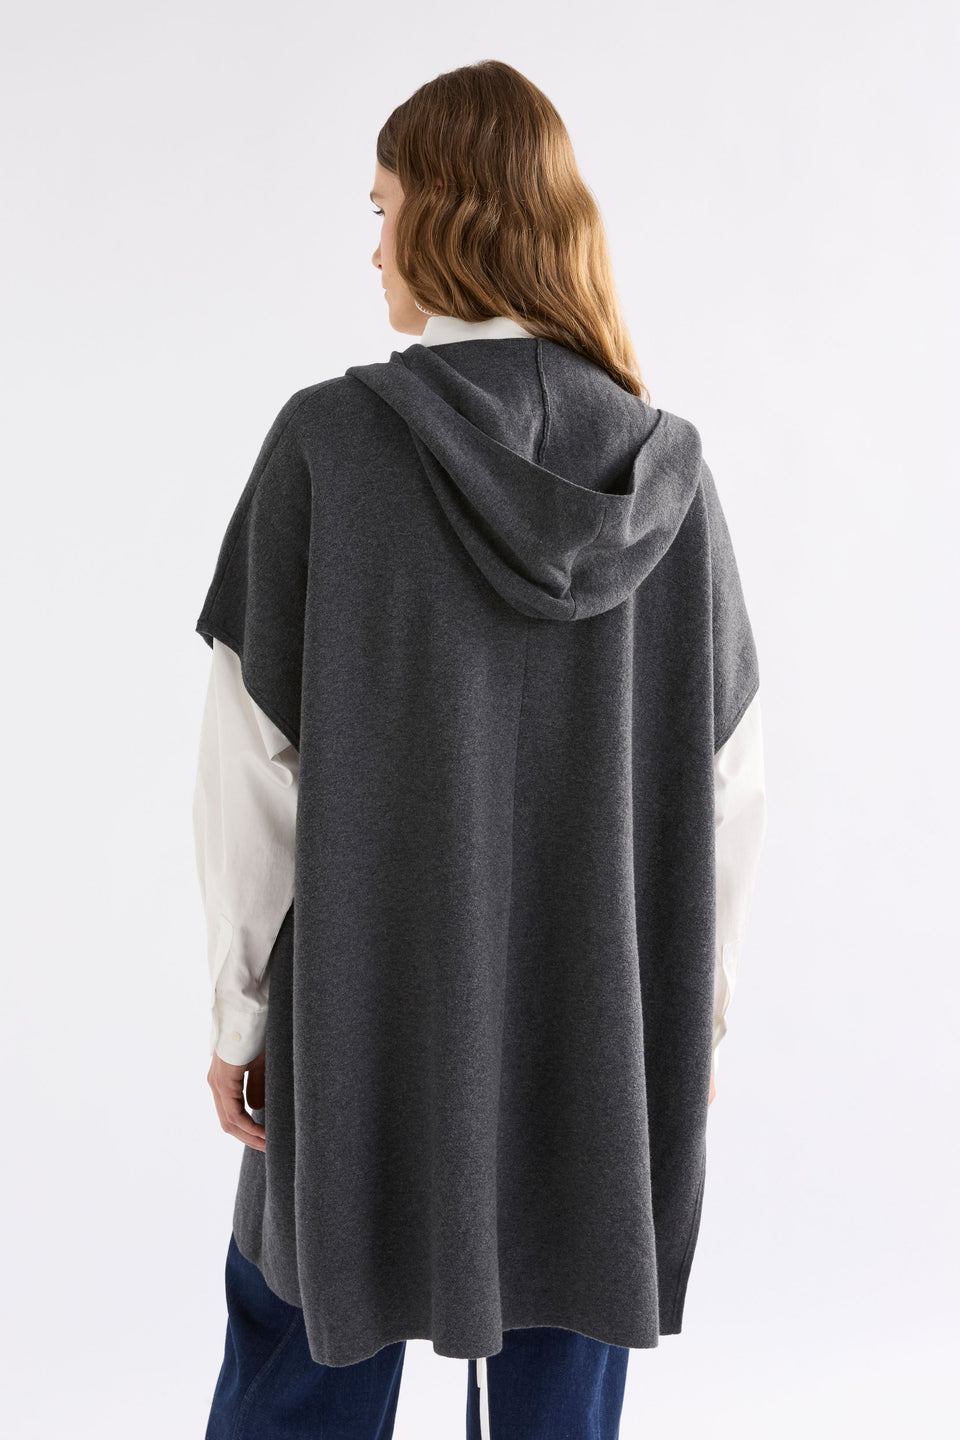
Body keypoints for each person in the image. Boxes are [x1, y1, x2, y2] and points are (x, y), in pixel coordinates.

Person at [192, 59, 766, 1440]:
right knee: (564, 1361)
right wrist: (691, 1016)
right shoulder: (666, 473)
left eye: (383, 207)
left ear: (445, 213)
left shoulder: (330, 446)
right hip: (597, 1035)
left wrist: (239, 1017)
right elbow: (730, 780)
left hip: (364, 1027)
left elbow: (252, 763)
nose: (374, 245)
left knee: (302, 1341)